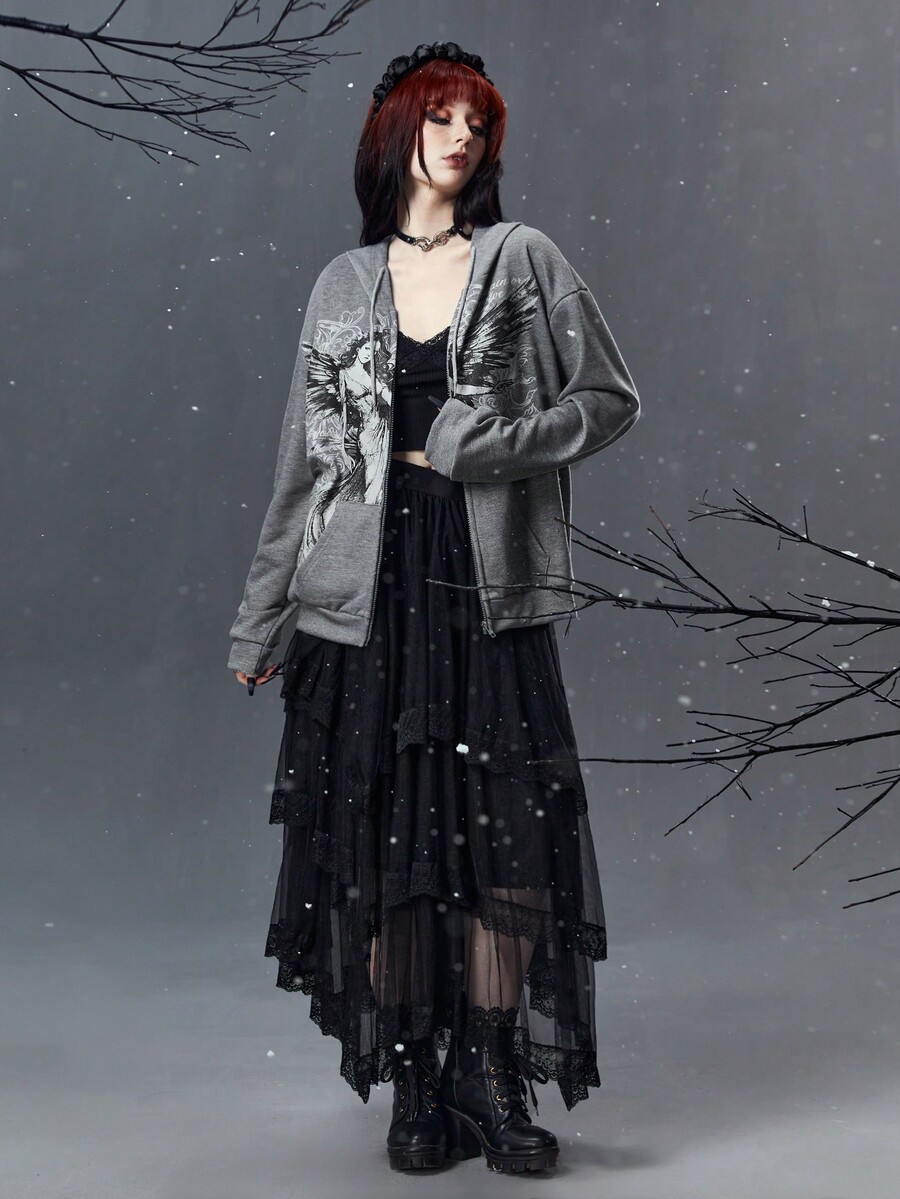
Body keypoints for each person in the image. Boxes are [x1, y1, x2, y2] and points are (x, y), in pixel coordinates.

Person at [227, 41, 641, 1176]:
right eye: (441, 115)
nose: (462, 136)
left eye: (478, 121)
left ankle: (493, 1073)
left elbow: (609, 398)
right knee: (386, 839)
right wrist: (258, 622)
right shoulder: (341, 285)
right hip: (365, 596)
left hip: (482, 585)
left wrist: (494, 446)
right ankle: (417, 1075)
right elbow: (304, 472)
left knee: (507, 835)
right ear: (396, 128)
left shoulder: (522, 257)